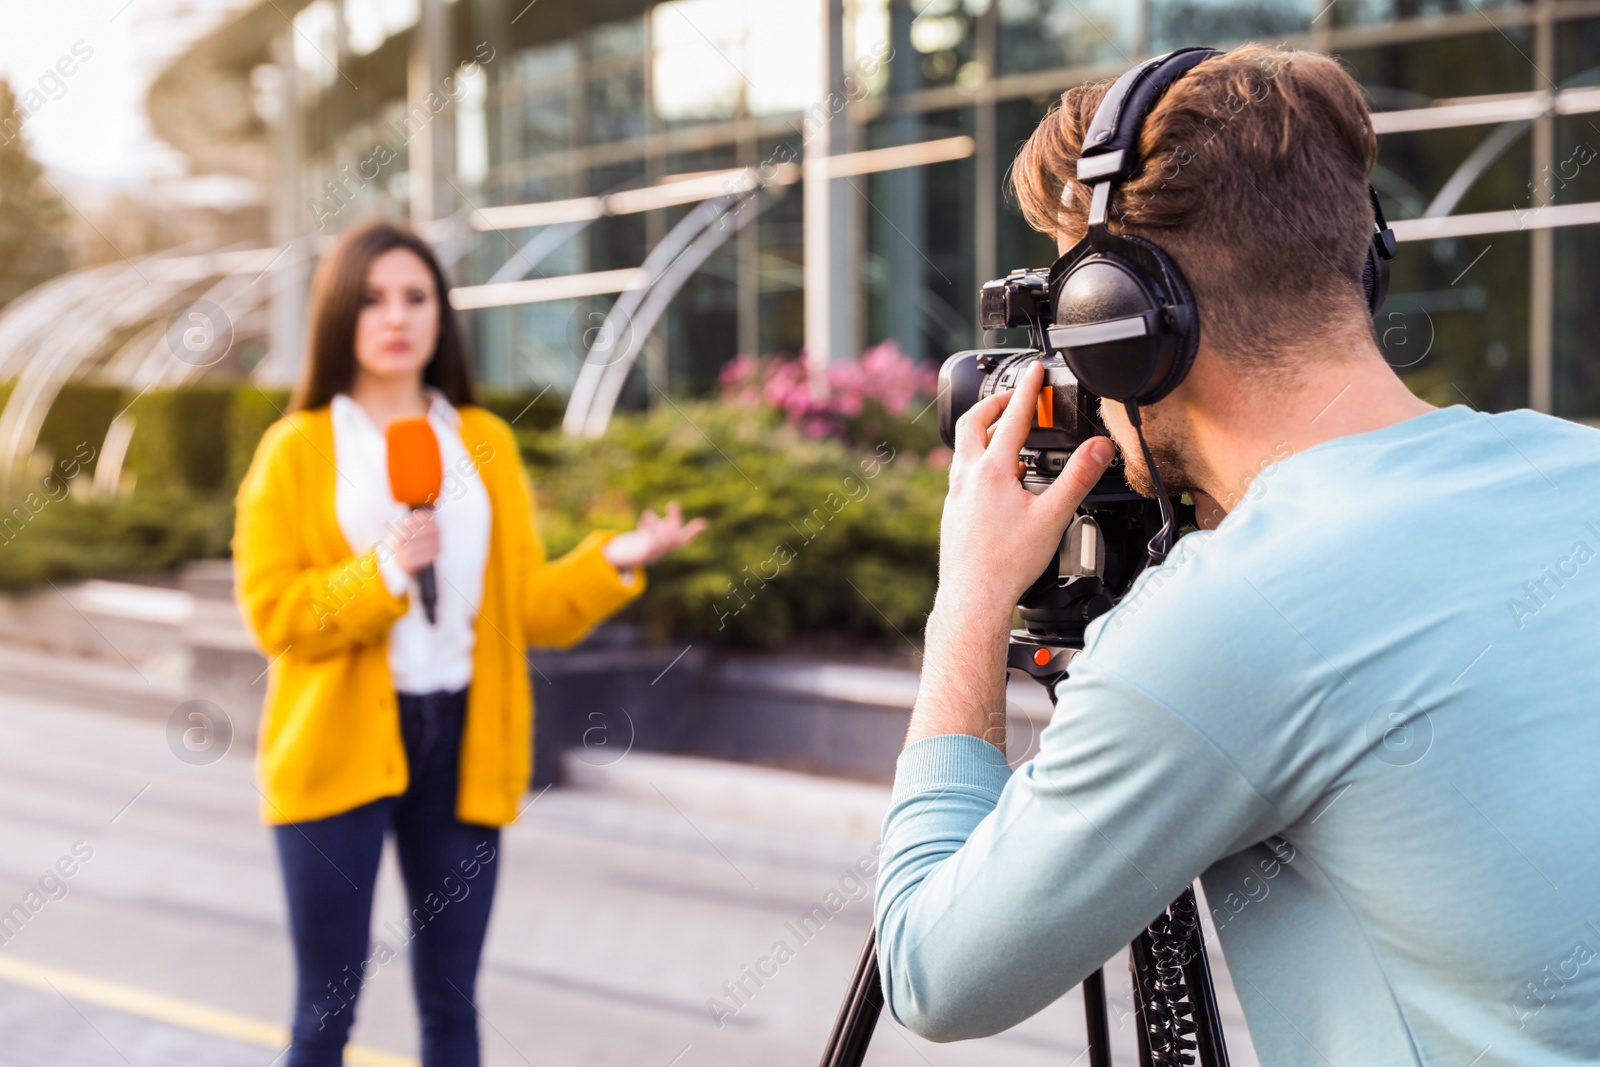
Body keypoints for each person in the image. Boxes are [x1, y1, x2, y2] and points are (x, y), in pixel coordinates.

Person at [873, 44, 1600, 1066]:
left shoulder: (1231, 616)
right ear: (1364, 264)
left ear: (1120, 327)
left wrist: (969, 602)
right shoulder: (1578, 466)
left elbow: (931, 973)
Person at [232, 220, 703, 1067]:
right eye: (374, 298)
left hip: (462, 739)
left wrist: (615, 559)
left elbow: (531, 606)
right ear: (340, 313)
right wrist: (379, 573)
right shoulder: (296, 450)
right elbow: (276, 616)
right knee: (324, 1009)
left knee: (453, 1008)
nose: (396, 316)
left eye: (416, 297)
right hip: (334, 751)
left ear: (441, 317)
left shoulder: (481, 440)